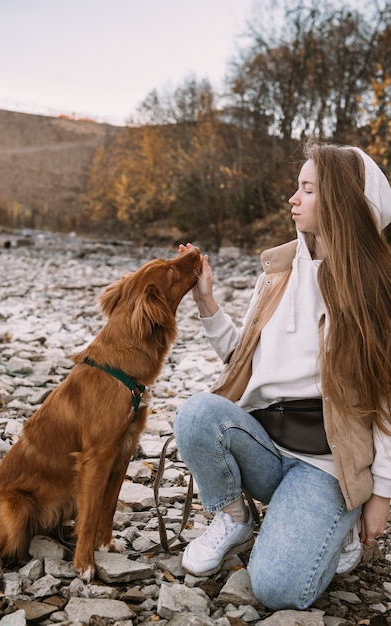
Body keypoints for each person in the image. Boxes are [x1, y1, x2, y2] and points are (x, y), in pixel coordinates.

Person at [174, 140, 391, 611]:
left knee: (277, 589)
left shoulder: (375, 289)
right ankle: (233, 517)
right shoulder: (278, 271)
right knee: (196, 414)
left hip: (325, 464)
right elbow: (242, 360)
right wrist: (207, 303)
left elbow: (387, 401)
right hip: (263, 445)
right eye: (297, 188)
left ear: (342, 202)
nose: (293, 199)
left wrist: (382, 495)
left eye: (308, 190)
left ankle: (337, 528)